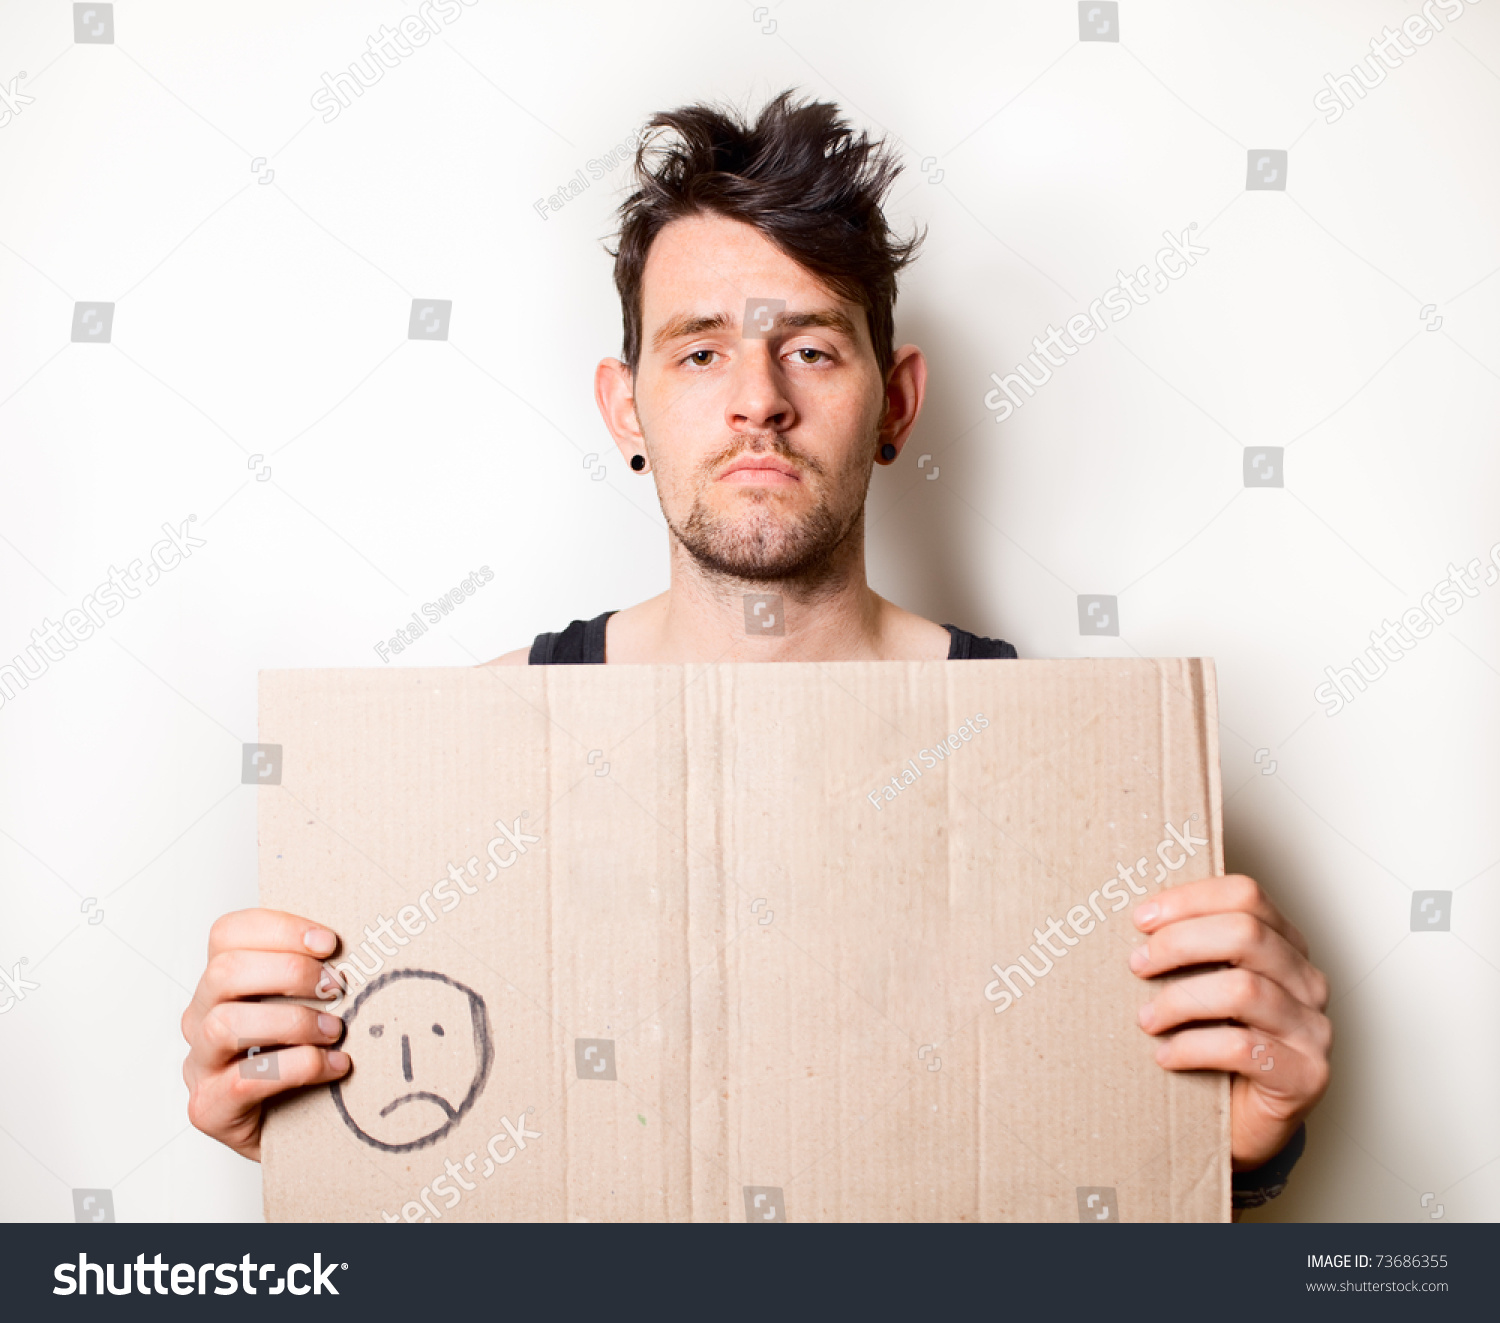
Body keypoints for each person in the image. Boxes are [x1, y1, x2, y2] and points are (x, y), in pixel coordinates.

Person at [183, 90, 1330, 1213]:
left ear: (898, 404)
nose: (758, 404)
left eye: (814, 350)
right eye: (699, 353)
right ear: (625, 409)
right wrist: (287, 1110)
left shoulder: (1086, 783)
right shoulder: (455, 763)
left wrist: (1240, 1149)